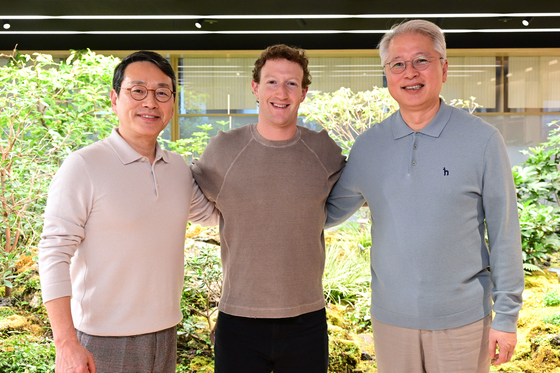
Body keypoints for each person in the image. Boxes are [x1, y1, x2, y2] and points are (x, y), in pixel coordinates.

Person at [326, 20, 524, 373]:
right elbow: (324, 213)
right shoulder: (369, 146)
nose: (409, 72)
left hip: (463, 321)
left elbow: (506, 233)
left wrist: (506, 317)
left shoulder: (482, 140)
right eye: (397, 64)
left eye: (421, 60)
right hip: (391, 321)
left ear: (444, 68)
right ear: (387, 74)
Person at [38, 51, 219, 373]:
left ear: (172, 104)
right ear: (114, 99)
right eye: (137, 91)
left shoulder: (177, 168)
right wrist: (66, 343)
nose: (150, 102)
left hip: (165, 333)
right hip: (101, 339)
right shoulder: (83, 166)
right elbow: (53, 253)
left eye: (162, 93)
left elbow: (219, 217)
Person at [191, 44, 345, 373]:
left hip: (306, 320)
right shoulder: (223, 151)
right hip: (239, 319)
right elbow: (188, 196)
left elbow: (344, 199)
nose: (281, 92)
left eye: (292, 83)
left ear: (304, 92)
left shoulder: (324, 152)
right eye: (272, 82)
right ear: (256, 88)